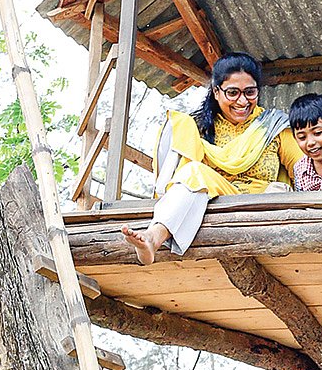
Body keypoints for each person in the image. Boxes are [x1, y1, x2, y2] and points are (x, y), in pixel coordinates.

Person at [121, 53, 301, 265]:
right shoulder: (197, 128)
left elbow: (305, 170)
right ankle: (153, 237)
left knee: (194, 172)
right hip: (214, 205)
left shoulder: (274, 126)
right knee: (192, 172)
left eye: (250, 92)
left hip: (260, 206)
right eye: (233, 93)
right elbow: (177, 180)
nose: (242, 101)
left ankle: (156, 235)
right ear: (216, 92)